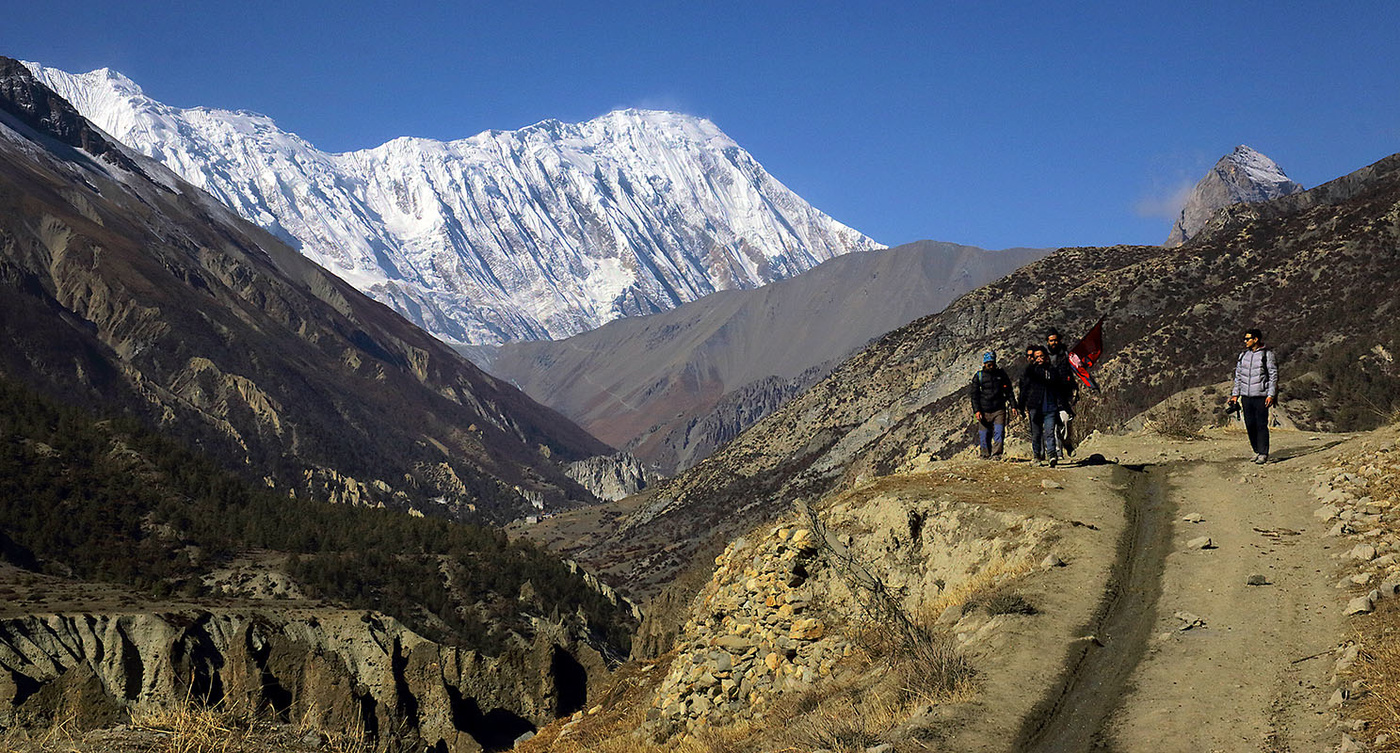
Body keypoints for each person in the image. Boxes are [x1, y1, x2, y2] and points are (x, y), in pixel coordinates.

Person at [1228, 328, 1278, 464]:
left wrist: (1271, 394)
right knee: (1250, 424)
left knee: (1261, 424)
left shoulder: (1267, 355)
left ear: (1255, 339)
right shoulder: (1243, 355)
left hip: (1261, 395)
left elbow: (1273, 376)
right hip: (1246, 396)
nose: (1245, 341)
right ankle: (1256, 450)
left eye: (1247, 339)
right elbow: (1238, 377)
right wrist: (1234, 395)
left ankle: (1263, 452)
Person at [1017, 346, 1062, 466]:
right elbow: (1024, 390)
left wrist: (1062, 405)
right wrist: (1020, 406)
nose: (1040, 359)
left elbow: (1059, 389)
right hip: (1035, 407)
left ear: (1046, 356)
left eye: (1042, 356)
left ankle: (1052, 455)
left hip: (1050, 406)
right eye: (1037, 357)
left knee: (1049, 432)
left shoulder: (1052, 371)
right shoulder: (1030, 372)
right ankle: (1037, 455)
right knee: (1036, 433)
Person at [970, 351, 1016, 459]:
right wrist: (977, 411)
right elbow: (974, 395)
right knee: (984, 434)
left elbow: (1009, 391)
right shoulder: (979, 376)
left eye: (992, 363)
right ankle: (985, 454)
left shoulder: (1001, 374)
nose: (990, 366)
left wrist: (1013, 405)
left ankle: (997, 454)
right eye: (988, 364)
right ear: (984, 364)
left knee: (999, 432)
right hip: (983, 410)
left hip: (999, 409)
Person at [1045, 328, 1079, 456]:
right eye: (1051, 340)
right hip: (1049, 395)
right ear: (1047, 342)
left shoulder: (1066, 355)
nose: (1053, 343)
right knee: (1051, 424)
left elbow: (1075, 370)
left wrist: (1074, 388)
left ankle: (1067, 443)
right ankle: (1056, 452)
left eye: (1055, 340)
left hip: (1064, 395)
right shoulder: (1045, 357)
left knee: (1065, 420)